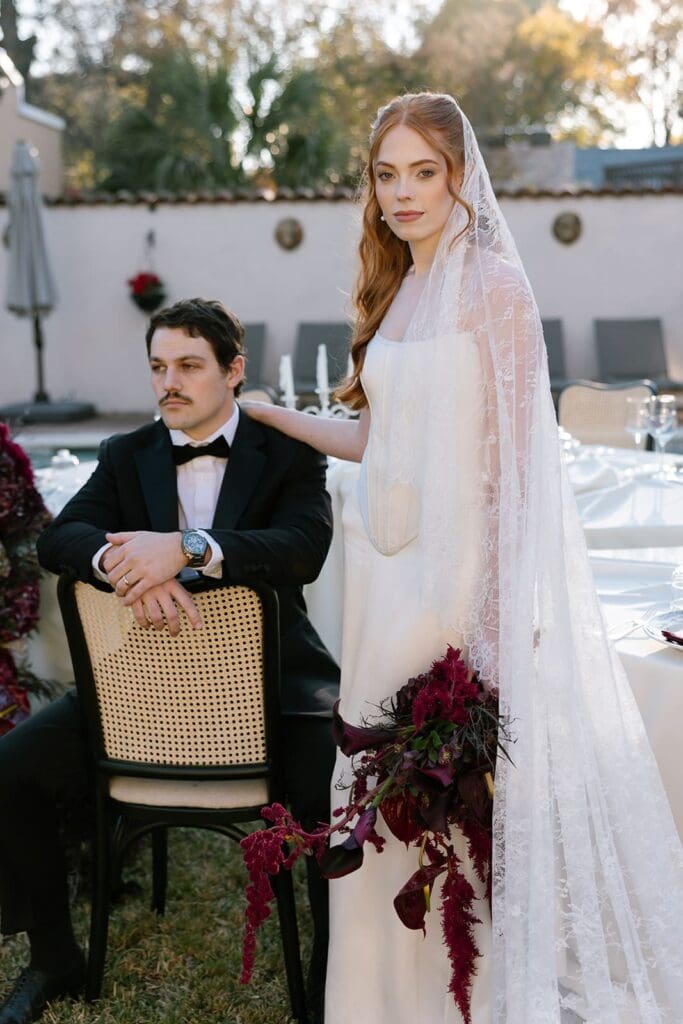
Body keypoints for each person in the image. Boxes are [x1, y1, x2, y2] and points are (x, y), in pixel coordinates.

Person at [242, 93, 683, 1023]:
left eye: (422, 172)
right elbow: (382, 440)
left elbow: (519, 468)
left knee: (447, 805)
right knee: (374, 796)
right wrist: (272, 415)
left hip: (453, 585)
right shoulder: (399, 284)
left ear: (459, 177)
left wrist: (491, 617)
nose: (402, 194)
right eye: (385, 174)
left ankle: (459, 1004)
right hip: (380, 583)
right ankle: (374, 1007)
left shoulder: (496, 288)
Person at [0, 298, 339, 1024]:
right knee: (13, 766)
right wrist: (125, 566)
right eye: (158, 367)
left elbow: (302, 550)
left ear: (232, 370)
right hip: (139, 684)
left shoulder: (287, 453)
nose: (169, 383)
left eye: (188, 366)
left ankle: (326, 988)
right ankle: (54, 955)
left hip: (276, 684)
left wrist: (185, 548)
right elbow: (63, 540)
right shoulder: (128, 454)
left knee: (333, 804)